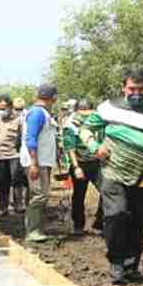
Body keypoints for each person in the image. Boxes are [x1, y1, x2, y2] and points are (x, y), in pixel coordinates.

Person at [82, 67, 143, 284]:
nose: (137, 93)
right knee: (116, 215)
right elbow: (86, 130)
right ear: (123, 87)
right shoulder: (108, 108)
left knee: (139, 221)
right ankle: (116, 262)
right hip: (113, 170)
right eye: (132, 88)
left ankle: (131, 266)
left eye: (141, 89)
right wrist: (95, 146)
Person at [22, 84, 59, 242]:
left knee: (38, 195)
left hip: (42, 161)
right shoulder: (37, 113)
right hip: (37, 161)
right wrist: (34, 163)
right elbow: (31, 139)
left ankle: (35, 229)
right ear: (54, 98)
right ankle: (32, 232)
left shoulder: (42, 112)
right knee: (40, 195)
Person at [64, 98, 104, 234]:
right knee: (79, 196)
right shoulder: (71, 123)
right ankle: (78, 225)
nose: (86, 116)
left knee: (107, 192)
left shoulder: (98, 121)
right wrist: (76, 167)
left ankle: (99, 224)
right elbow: (70, 147)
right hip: (80, 164)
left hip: (98, 163)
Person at [0, 94, 23, 216]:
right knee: (1, 182)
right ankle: (3, 208)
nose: (2, 112)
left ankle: (18, 205)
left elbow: (20, 135)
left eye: (5, 109)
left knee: (16, 180)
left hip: (14, 154)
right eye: (0, 109)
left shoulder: (18, 118)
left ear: (11, 107)